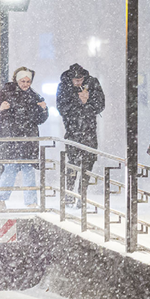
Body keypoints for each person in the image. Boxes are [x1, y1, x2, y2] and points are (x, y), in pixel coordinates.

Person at [0, 66, 49, 210]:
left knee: (28, 170)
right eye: (23, 81)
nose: (25, 84)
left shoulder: (35, 96)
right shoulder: (7, 92)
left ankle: (30, 202)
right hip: (11, 138)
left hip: (27, 139)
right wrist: (0, 107)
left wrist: (44, 110)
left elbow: (40, 119)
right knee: (11, 169)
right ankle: (1, 199)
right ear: (17, 80)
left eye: (28, 81)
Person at [56, 63, 106, 203]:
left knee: (88, 163)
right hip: (72, 130)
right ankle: (69, 193)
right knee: (73, 162)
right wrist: (79, 101)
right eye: (76, 80)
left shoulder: (93, 83)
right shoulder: (64, 86)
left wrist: (88, 101)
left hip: (89, 130)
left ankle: (82, 194)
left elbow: (100, 105)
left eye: (81, 79)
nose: (79, 82)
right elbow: (62, 108)